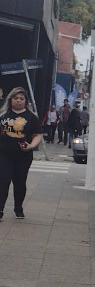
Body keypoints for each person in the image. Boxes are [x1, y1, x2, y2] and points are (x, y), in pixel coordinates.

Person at [0, 87, 43, 220]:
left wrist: (31, 146)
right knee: (3, 181)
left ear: (25, 101)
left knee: (19, 182)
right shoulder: (3, 115)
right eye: (16, 98)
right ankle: (0, 209)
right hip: (4, 154)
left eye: (21, 99)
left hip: (23, 156)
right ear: (10, 99)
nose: (18, 101)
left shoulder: (31, 117)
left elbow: (37, 135)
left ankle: (18, 208)